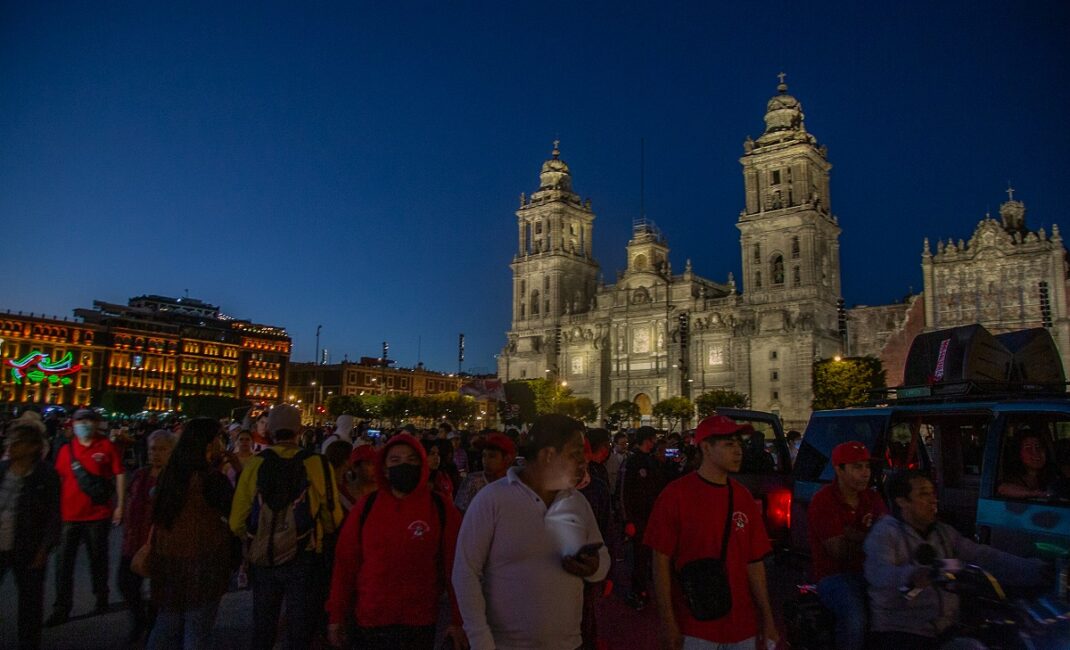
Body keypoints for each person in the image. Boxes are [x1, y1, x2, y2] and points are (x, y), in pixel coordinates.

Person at [453, 414, 609, 650]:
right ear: (548, 455)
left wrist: (594, 566)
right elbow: (465, 572)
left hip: (569, 645)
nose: (583, 461)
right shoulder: (492, 499)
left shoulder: (577, 502)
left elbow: (603, 555)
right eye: (575, 453)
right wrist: (480, 640)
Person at [864, 470, 1049, 649]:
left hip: (946, 629)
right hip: (902, 630)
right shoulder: (885, 534)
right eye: (923, 494)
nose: (932, 499)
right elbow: (880, 574)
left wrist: (1037, 569)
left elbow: (983, 555)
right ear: (902, 501)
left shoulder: (943, 533)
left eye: (933, 493)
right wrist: (914, 575)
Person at [645, 415, 779, 650]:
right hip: (695, 624)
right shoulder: (675, 495)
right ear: (706, 447)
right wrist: (668, 622)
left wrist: (767, 617)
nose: (738, 451)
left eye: (739, 444)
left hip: (743, 626)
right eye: (729, 444)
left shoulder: (743, 497)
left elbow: (754, 562)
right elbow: (660, 562)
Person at [327, 433, 465, 649]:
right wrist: (336, 614)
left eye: (412, 460)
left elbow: (456, 567)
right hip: (370, 619)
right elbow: (346, 564)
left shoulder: (441, 509)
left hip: (419, 622)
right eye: (395, 460)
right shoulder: (367, 507)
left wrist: (459, 619)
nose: (404, 466)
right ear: (384, 468)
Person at [229, 404, 344, 650]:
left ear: (270, 430)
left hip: (264, 554)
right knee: (299, 626)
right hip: (305, 554)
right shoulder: (317, 463)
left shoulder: (256, 464)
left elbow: (237, 519)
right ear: (300, 430)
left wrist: (254, 537)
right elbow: (332, 516)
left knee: (263, 624)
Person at [145, 418, 237, 649]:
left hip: (168, 562)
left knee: (166, 625)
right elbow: (236, 513)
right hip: (202, 563)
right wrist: (238, 470)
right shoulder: (211, 479)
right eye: (218, 438)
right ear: (208, 443)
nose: (220, 443)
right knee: (197, 631)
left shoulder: (169, 474)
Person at [47, 408, 126, 626]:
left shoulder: (106, 447)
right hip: (68, 515)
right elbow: (59, 479)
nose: (84, 424)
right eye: (80, 420)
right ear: (73, 424)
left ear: (96, 423)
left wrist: (120, 505)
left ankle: (101, 595)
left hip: (97, 514)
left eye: (88, 420)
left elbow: (119, 473)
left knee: (98, 559)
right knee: (63, 564)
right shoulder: (66, 450)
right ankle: (62, 606)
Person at [807, 441, 887, 650]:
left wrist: (853, 534)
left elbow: (888, 537)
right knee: (855, 618)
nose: (865, 473)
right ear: (839, 470)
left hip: (873, 573)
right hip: (835, 576)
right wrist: (872, 539)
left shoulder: (872, 497)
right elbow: (839, 551)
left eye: (867, 467)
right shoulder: (823, 500)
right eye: (857, 467)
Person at [0, 414, 61, 650]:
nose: (11, 446)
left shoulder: (45, 475)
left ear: (34, 447)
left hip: (28, 547)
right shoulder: (3, 469)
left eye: (18, 442)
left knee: (30, 603)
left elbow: (53, 516)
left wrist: (44, 549)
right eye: (10, 441)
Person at [119, 429, 175, 643]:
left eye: (162, 449)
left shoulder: (173, 480)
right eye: (153, 449)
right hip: (133, 541)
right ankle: (139, 619)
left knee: (157, 590)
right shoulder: (140, 475)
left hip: (160, 543)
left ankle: (151, 626)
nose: (156, 454)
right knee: (125, 582)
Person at [620, 426, 664, 609]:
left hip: (651, 517)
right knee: (638, 557)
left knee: (648, 556)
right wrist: (627, 520)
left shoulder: (651, 461)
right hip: (638, 518)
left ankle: (644, 589)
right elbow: (624, 493)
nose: (655, 443)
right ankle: (637, 591)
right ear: (647, 440)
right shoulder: (632, 462)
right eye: (653, 439)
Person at [453, 432, 516, 513]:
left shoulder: (514, 484)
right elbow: (459, 511)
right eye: (484, 455)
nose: (485, 461)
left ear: (507, 459)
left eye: (492, 456)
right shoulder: (472, 481)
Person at [997, 428, 1063, 499]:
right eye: (1028, 448)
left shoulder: (1055, 473)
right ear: (1018, 453)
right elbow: (1002, 489)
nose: (1035, 452)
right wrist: (1036, 494)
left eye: (1038, 447)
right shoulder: (1012, 479)